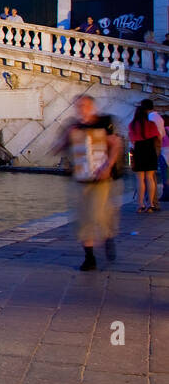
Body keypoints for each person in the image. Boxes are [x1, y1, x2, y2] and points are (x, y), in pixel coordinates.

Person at [55, 95, 123, 270]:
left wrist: (108, 165)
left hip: (101, 178)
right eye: (78, 106)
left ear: (92, 106)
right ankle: (89, 257)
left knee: (98, 214)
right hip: (80, 178)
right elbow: (57, 148)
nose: (81, 108)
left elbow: (115, 144)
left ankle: (107, 236)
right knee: (83, 219)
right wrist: (65, 139)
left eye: (84, 105)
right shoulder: (73, 126)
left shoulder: (104, 122)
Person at [128, 100, 161, 212]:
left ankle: (140, 205)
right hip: (150, 151)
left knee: (140, 179)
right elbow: (158, 138)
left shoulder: (132, 125)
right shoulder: (151, 124)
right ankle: (151, 204)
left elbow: (132, 141)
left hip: (139, 151)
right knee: (150, 178)